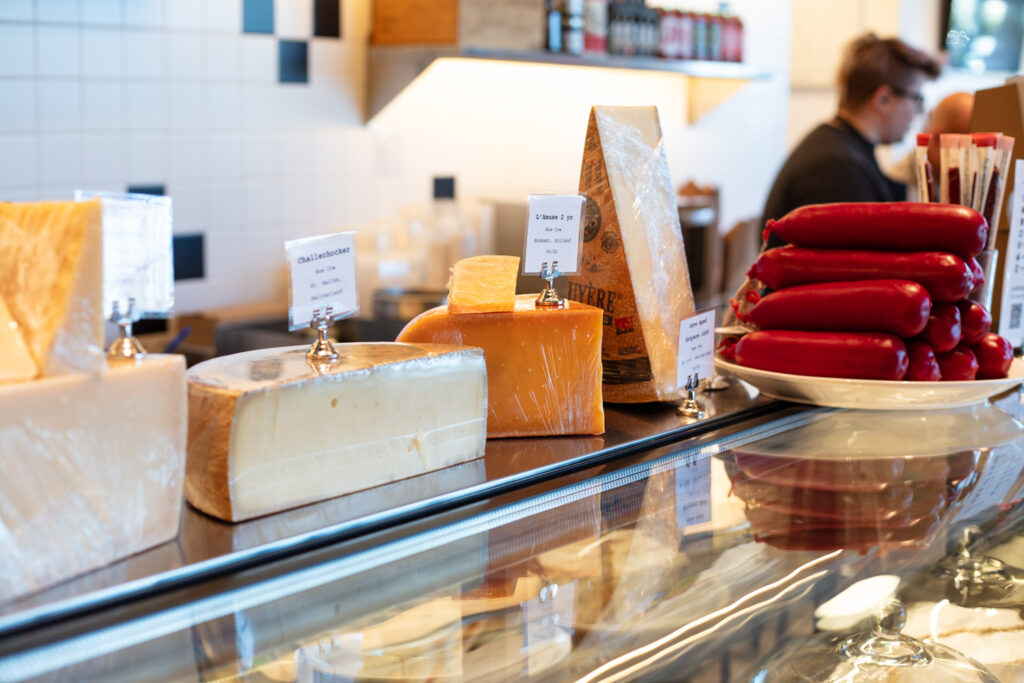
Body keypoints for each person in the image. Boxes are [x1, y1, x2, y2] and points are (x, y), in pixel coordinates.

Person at [761, 33, 942, 247]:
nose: (917, 113)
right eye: (917, 99)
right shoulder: (838, 168)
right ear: (883, 99)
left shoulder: (842, 148)